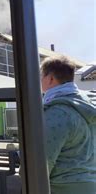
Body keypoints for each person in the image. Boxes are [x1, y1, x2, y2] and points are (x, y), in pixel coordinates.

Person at [40, 55, 96, 194]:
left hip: (62, 186)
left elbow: (42, 163)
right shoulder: (89, 105)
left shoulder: (57, 112)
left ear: (50, 78)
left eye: (41, 76)